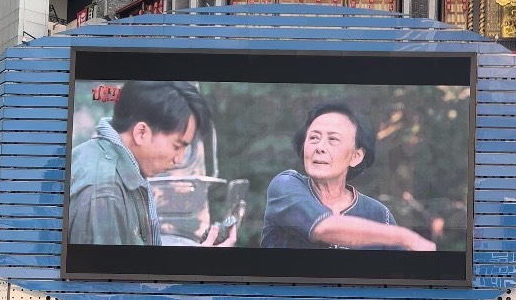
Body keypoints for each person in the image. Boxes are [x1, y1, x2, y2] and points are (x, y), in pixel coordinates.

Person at [68, 80, 233, 247]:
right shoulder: (104, 194)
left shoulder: (104, 160)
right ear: (141, 133)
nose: (179, 160)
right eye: (177, 146)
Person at [261, 102, 434, 251]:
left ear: (356, 156)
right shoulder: (285, 186)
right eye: (313, 137)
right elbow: (325, 228)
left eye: (333, 139)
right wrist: (406, 237)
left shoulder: (379, 214)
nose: (320, 147)